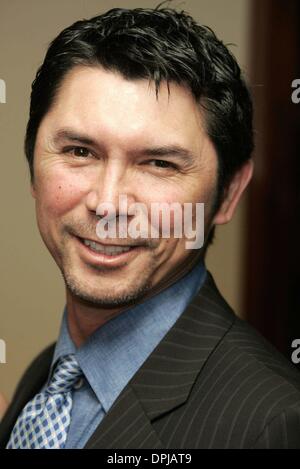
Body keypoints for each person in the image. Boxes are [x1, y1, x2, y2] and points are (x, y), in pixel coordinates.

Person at [1, 5, 300, 450]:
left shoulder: (269, 423)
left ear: (230, 193)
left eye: (159, 164)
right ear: (32, 165)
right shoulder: (48, 376)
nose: (108, 203)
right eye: (80, 152)